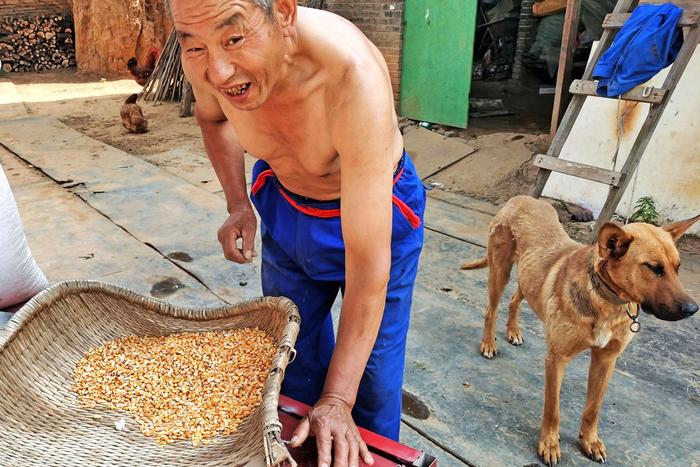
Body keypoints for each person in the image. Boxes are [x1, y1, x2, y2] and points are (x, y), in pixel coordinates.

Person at [168, 0, 425, 465]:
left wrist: (338, 401)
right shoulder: (205, 57)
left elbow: (369, 265)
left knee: (368, 383)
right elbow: (212, 118)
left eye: (235, 38)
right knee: (290, 361)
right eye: (196, 47)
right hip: (285, 205)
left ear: (283, 14)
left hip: (372, 210)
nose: (220, 71)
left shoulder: (351, 75)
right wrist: (237, 204)